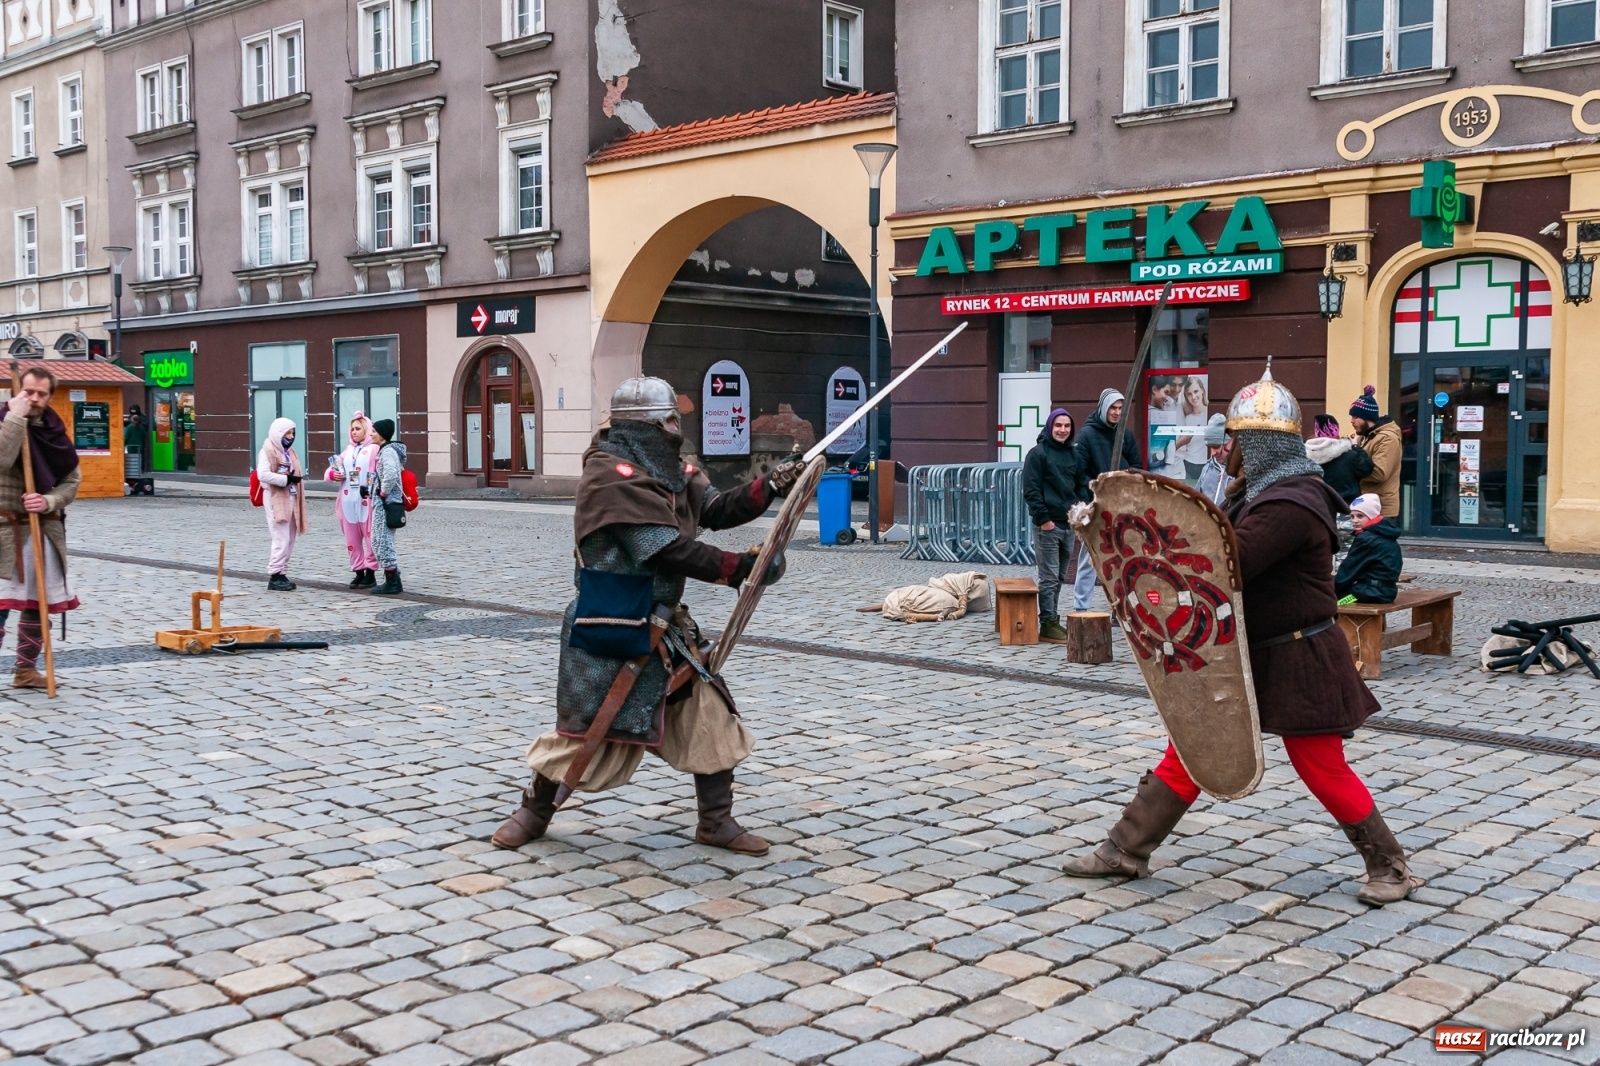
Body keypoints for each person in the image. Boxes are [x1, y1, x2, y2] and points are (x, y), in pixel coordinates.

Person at [1062, 364, 1419, 906]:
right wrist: (1115, 526)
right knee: (1192, 747)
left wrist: (1142, 541)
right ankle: (1125, 850)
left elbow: (1224, 564)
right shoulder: (1259, 492)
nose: (1232, 449)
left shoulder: (1291, 503)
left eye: (1239, 439)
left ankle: (1389, 867)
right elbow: (1209, 541)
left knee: (1320, 765)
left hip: (1300, 654)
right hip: (1251, 649)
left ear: (1259, 443)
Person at [491, 376, 805, 854]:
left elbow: (717, 509)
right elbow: (659, 547)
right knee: (586, 730)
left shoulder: (670, 469)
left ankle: (715, 823)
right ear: (645, 427)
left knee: (710, 715)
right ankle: (533, 813)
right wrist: (738, 568)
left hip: (667, 627)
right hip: (612, 623)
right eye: (667, 423)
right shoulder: (607, 474)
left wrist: (771, 485)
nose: (675, 430)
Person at [0, 368, 80, 689]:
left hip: (43, 529)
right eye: (29, 391)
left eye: (41, 394)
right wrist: (16, 420)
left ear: (49, 396)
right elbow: (2, 459)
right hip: (4, 530)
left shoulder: (54, 432)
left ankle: (25, 670)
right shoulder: (4, 420)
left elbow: (71, 482)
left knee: (37, 601)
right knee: (1, 602)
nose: (33, 399)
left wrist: (47, 501)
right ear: (18, 391)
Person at [1069, 389, 1144, 612]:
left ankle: (1120, 608)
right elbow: (1079, 473)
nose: (1116, 412)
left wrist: (1128, 489)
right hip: (1097, 506)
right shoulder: (1086, 436)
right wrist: (1093, 497)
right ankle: (1081, 607)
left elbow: (1136, 466)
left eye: (1120, 408)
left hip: (1122, 505)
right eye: (1113, 408)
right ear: (1103, 408)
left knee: (1122, 558)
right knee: (1090, 557)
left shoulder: (1125, 435)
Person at [1022, 408, 1089, 644]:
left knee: (1060, 575)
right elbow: (1031, 490)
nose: (1062, 430)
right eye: (1058, 425)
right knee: (1049, 577)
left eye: (1067, 426)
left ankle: (1053, 619)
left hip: (1068, 525)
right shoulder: (1037, 454)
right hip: (1047, 526)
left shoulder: (1074, 455)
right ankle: (1048, 622)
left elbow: (1081, 485)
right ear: (1050, 427)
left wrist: (1080, 511)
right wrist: (1044, 519)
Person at [327, 413, 380, 588]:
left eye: (358, 428)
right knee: (351, 539)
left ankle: (370, 573)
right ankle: (358, 571)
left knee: (370, 538)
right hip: (348, 501)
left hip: (367, 501)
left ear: (367, 429)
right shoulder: (347, 451)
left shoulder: (374, 449)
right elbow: (330, 471)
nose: (354, 432)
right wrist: (335, 474)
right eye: (352, 429)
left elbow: (379, 471)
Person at [256, 418, 305, 592]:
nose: (291, 437)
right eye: (287, 433)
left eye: (292, 433)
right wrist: (285, 479)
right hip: (276, 496)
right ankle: (275, 574)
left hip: (290, 495)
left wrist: (293, 478)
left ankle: (282, 571)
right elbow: (263, 474)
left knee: (290, 537)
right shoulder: (267, 450)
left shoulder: (289, 452)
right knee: (281, 536)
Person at [1336, 493, 1402, 605]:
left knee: (1334, 603)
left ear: (1371, 516)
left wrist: (1331, 591)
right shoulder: (1385, 532)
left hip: (1369, 592)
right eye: (1352, 516)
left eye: (1360, 516)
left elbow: (1348, 569)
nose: (1355, 520)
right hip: (1386, 590)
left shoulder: (1366, 538)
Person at [1349, 386, 1401, 518]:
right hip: (1365, 506)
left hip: (1381, 508)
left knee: (1376, 540)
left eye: (1355, 417)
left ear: (1367, 418)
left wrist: (1350, 463)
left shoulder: (1387, 438)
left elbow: (1379, 474)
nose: (1351, 421)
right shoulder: (1365, 436)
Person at [368, 419, 406, 596]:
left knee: (382, 541)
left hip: (386, 504)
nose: (371, 434)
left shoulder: (387, 452)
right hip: (383, 503)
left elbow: (390, 474)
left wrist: (383, 492)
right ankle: (392, 576)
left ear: (382, 434)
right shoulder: (384, 451)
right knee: (378, 540)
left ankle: (393, 581)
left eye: (374, 432)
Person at [1305, 413, 1374, 504]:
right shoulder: (1350, 456)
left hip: (1319, 507)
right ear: (1336, 434)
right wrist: (1355, 446)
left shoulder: (1305, 457)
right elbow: (1367, 468)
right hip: (1346, 508)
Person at [1175, 376, 1211, 482]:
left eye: (1196, 391)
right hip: (1188, 465)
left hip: (1207, 465)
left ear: (1202, 391)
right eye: (1189, 394)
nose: (1193, 397)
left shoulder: (1209, 413)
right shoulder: (1185, 415)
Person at [1195, 413, 1233, 505]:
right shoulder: (1207, 469)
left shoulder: (1243, 472)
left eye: (1216, 446)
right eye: (1210, 447)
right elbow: (1195, 502)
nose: (1212, 453)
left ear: (1229, 443)